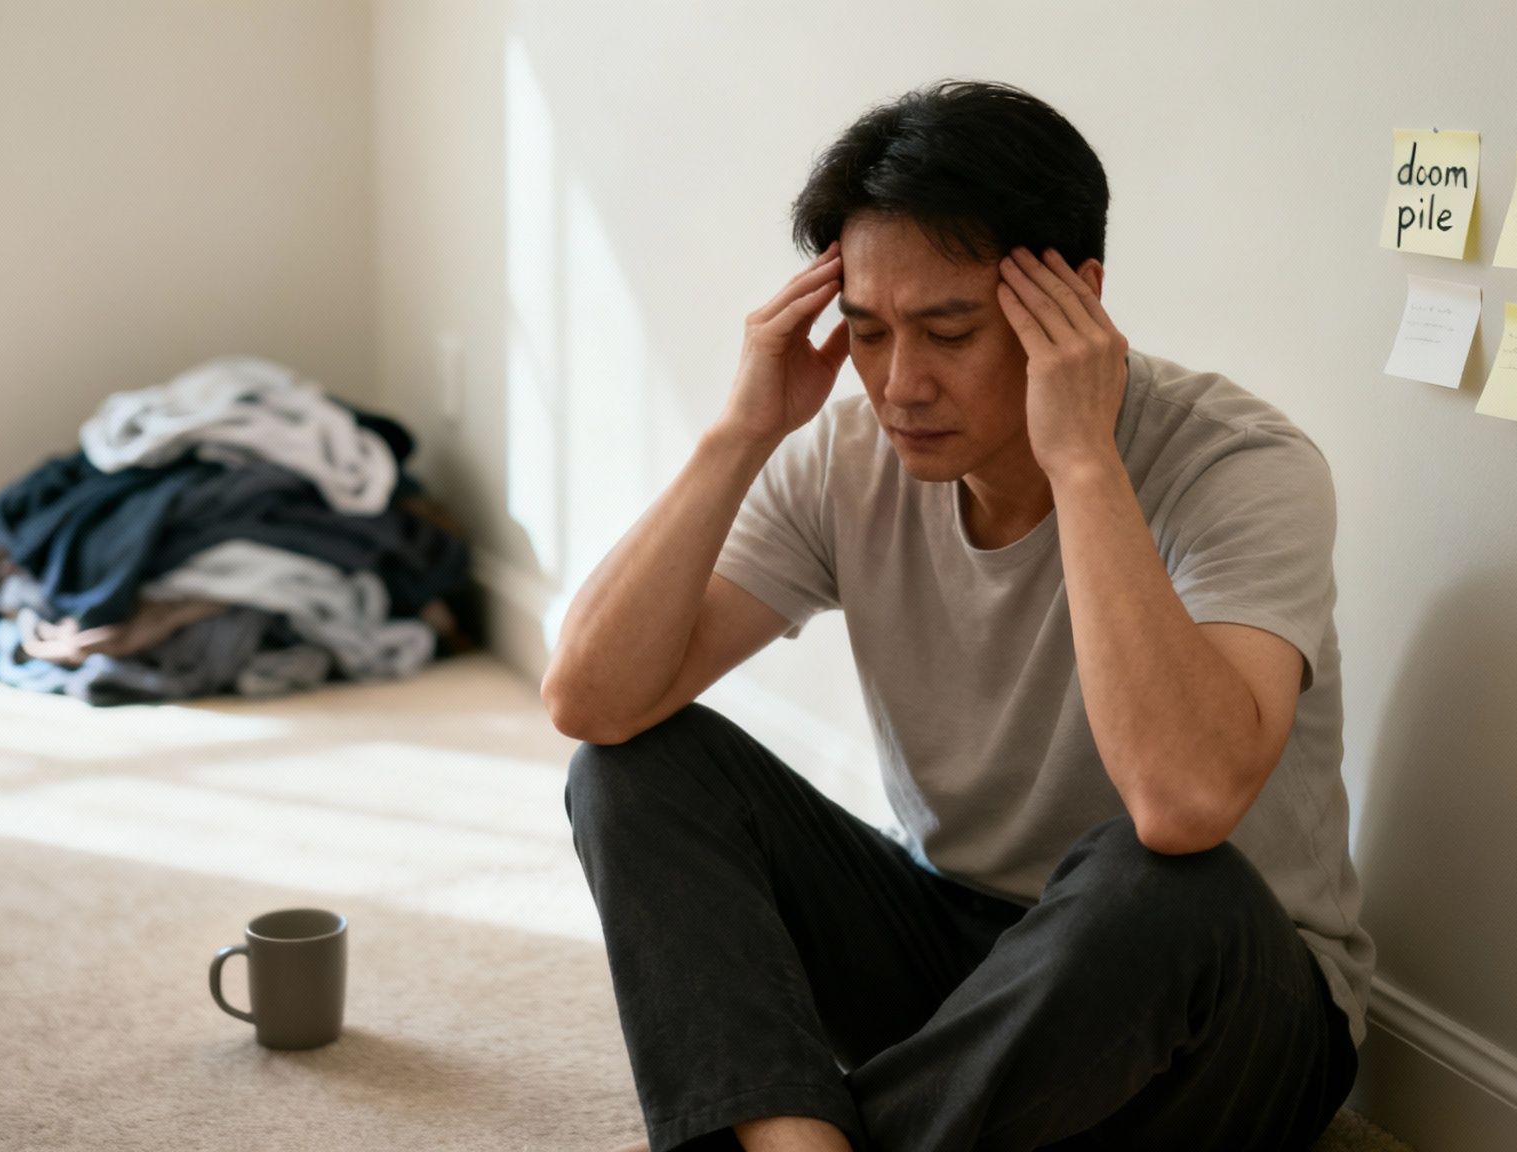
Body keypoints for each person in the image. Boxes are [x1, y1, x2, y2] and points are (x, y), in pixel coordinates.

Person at [543, 80, 1373, 1152]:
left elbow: (1180, 806)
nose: (901, 386)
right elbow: (591, 698)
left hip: (1218, 1002)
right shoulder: (846, 455)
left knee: (1158, 883)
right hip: (963, 965)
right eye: (869, 332)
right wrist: (740, 431)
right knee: (630, 767)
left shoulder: (1240, 467)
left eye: (947, 330)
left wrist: (1080, 458)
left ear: (1075, 302)